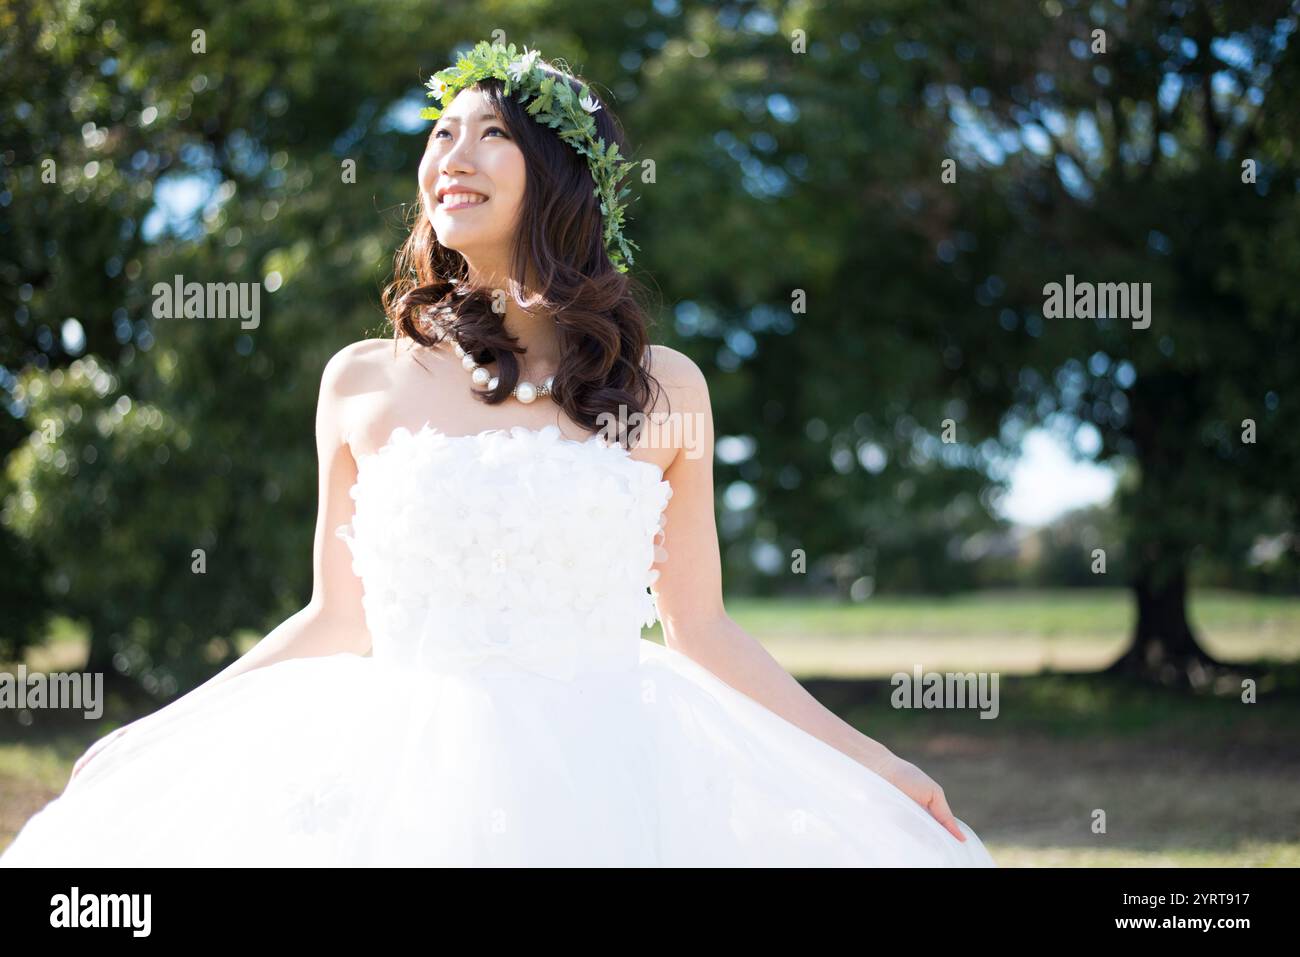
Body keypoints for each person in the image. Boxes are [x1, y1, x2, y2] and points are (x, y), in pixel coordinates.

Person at [1, 40, 995, 867]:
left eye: (491, 136)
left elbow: (702, 630)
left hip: (615, 780)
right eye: (439, 134)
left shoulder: (667, 392)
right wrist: (161, 730)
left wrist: (876, 762)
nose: (451, 157)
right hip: (394, 783)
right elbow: (335, 617)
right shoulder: (360, 381)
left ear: (562, 178)